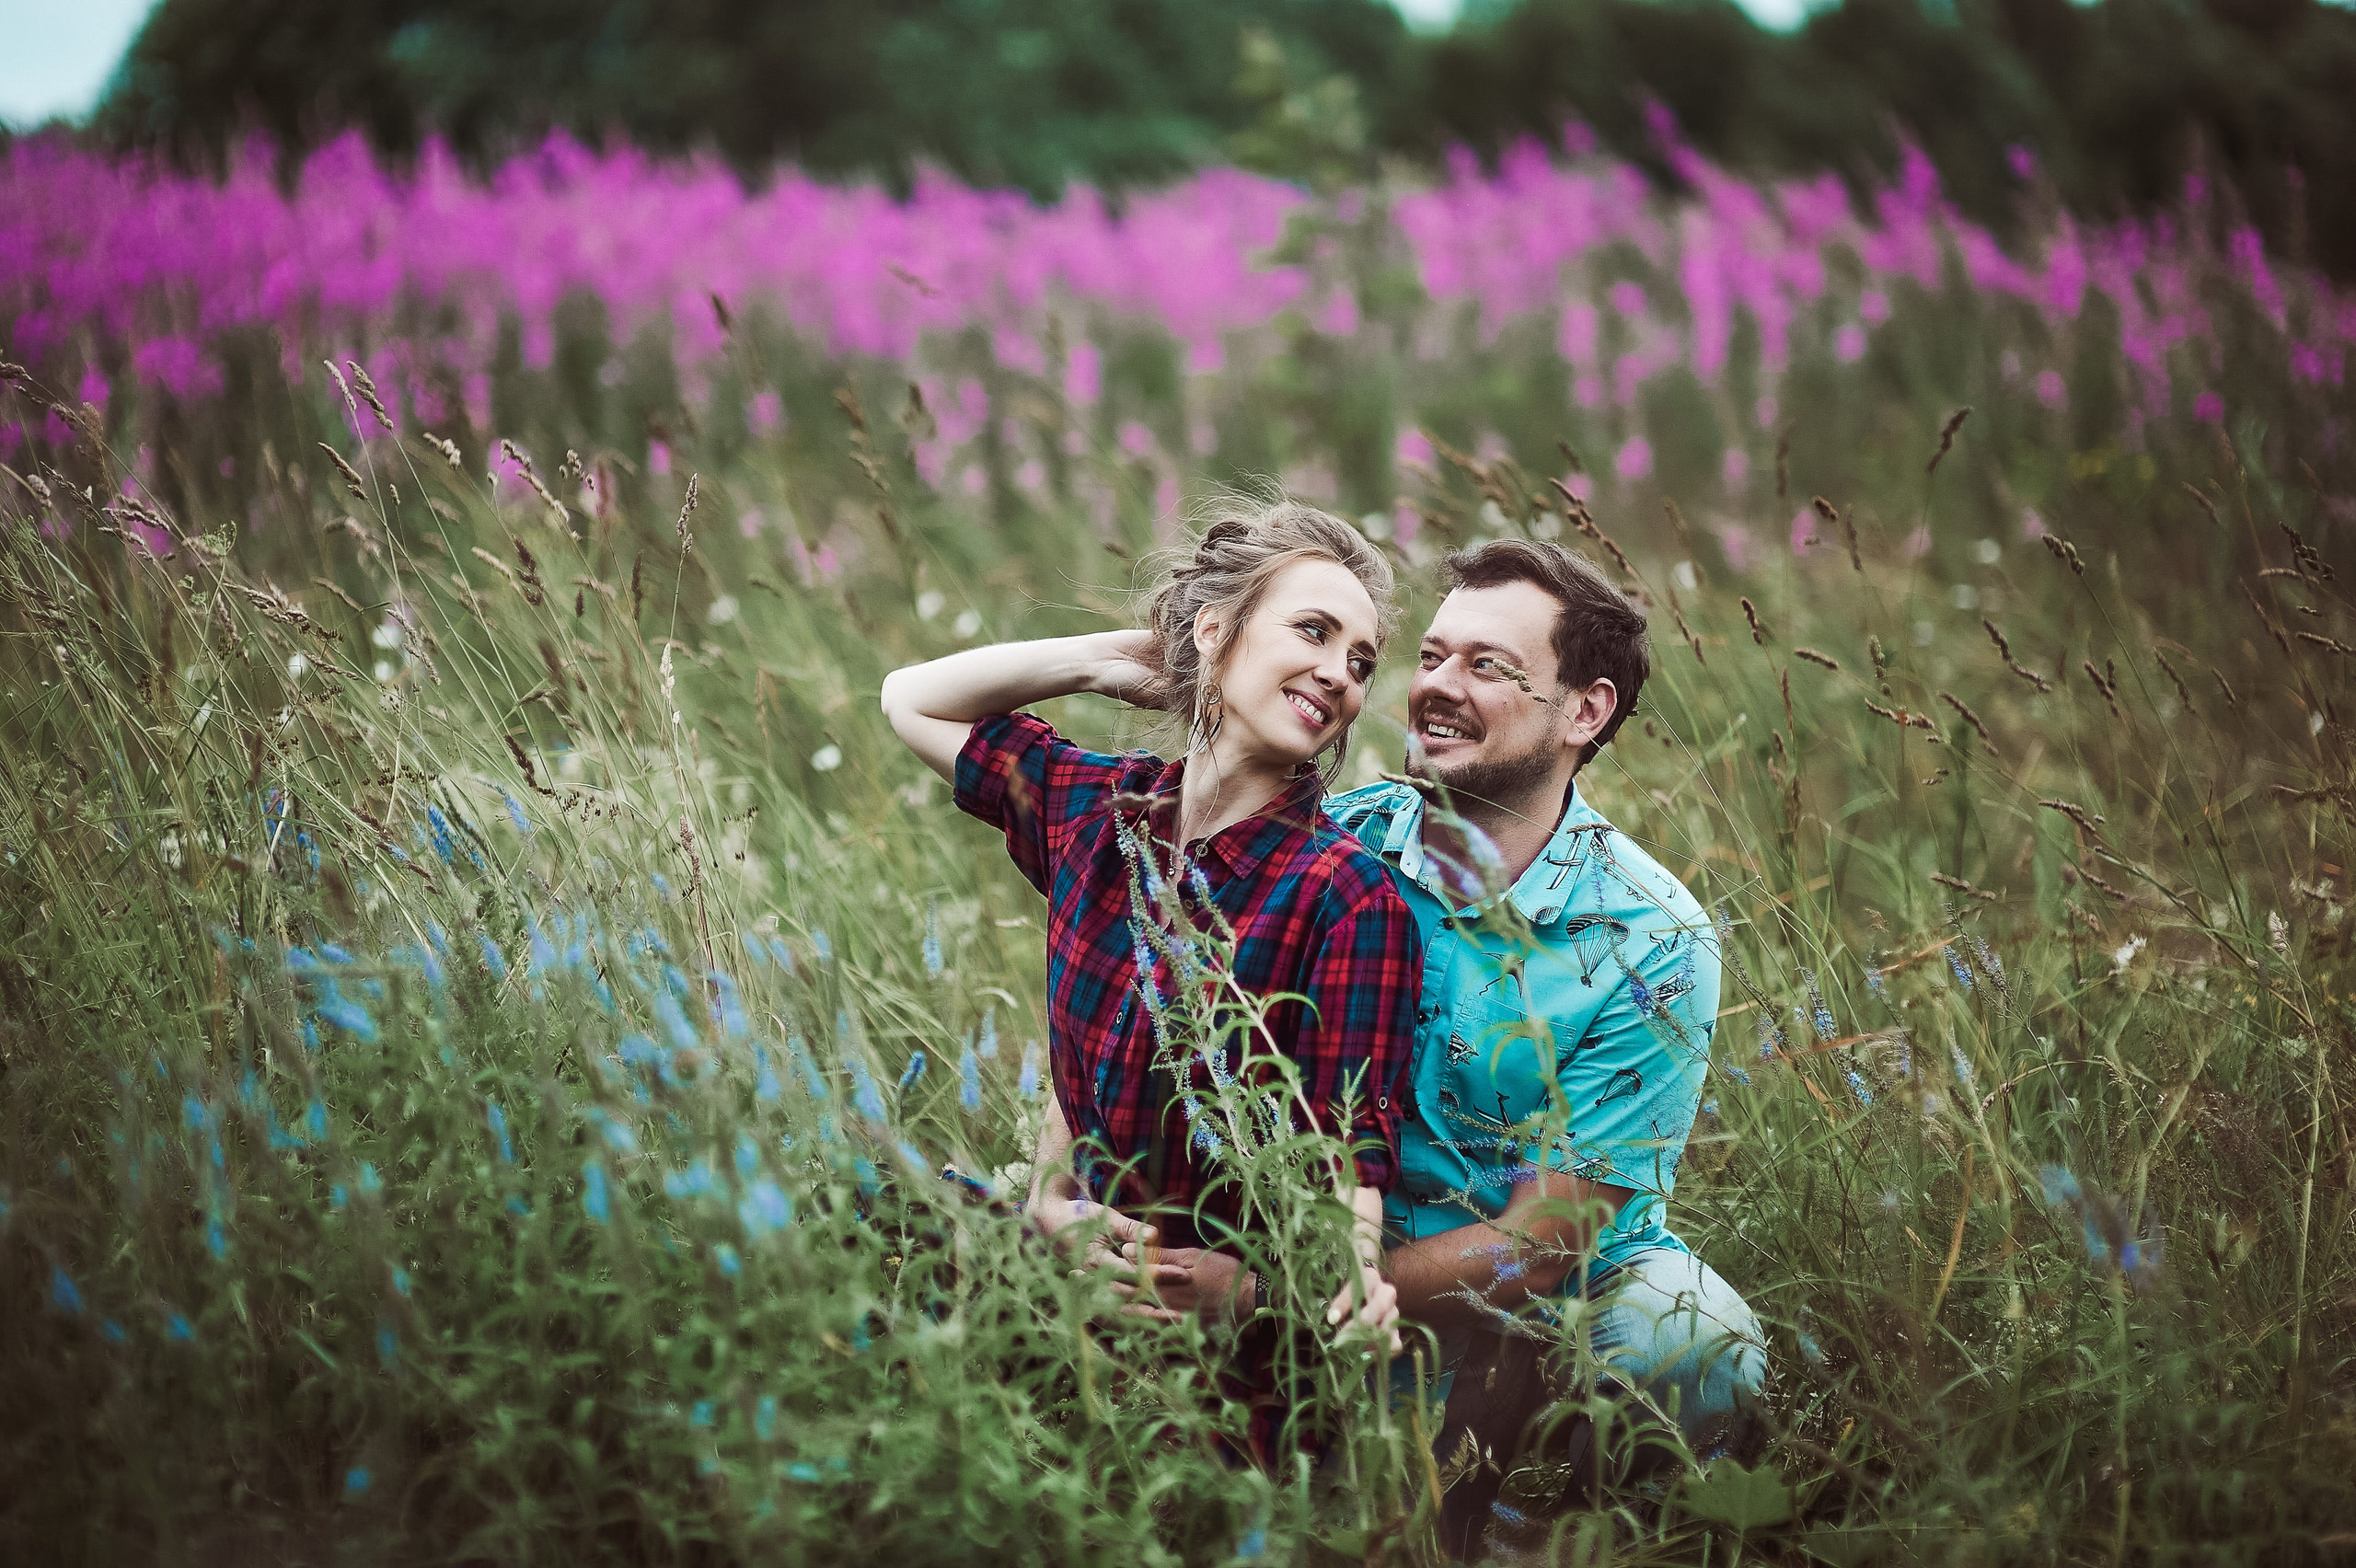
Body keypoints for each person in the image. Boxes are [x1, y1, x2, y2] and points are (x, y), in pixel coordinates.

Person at [879, 497, 1423, 1463]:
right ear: (1216, 631)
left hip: (1212, 1346)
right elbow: (908, 698)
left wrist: (1330, 1278)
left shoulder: (1346, 895)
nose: (1339, 674)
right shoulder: (1099, 811)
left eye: (1360, 660)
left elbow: (1350, 1154)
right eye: (1313, 630)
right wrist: (1105, 663)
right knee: (867, 1218)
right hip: (1065, 1277)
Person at [1322, 538, 1766, 1554]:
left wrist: (1293, 1296)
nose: (1434, 687)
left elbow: (1544, 1240)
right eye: (1431, 656)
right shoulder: (1327, 849)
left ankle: (1555, 1532)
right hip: (1340, 1263)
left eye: (1486, 665)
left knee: (1693, 1335)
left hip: (1544, 1298)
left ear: (1585, 711)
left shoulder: (1648, 937)